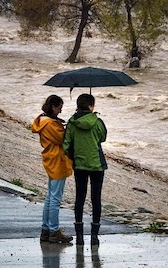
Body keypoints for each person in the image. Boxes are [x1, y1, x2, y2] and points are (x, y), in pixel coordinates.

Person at [63, 93, 107, 246]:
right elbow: (103, 138)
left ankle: (80, 236)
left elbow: (66, 145)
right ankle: (94, 236)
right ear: (90, 106)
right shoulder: (98, 122)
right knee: (96, 198)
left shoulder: (72, 122)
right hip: (97, 165)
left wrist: (75, 157)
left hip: (80, 165)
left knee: (79, 198)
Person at [31, 95, 74, 244]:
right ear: (54, 107)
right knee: (55, 199)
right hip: (58, 161)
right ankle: (54, 231)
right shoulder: (51, 124)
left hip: (51, 159)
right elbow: (64, 139)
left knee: (50, 197)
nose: (61, 110)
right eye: (59, 107)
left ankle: (46, 230)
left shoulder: (42, 121)